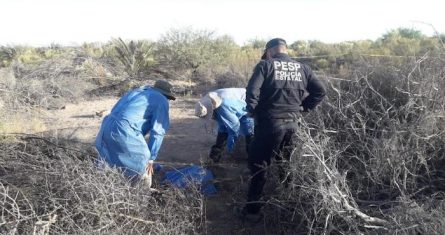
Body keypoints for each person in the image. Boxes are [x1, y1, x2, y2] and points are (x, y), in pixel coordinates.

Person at [238, 38, 326, 220]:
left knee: (259, 165)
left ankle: (253, 211)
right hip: (292, 124)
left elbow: (252, 91)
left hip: (269, 123)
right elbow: (320, 91)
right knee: (285, 163)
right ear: (285, 50)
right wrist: (304, 107)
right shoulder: (303, 68)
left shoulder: (265, 65)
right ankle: (289, 204)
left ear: (269, 51)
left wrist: (253, 111)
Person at [95, 80, 176, 188]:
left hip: (106, 126)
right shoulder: (161, 99)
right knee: (142, 165)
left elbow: (115, 110)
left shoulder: (136, 91)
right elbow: (158, 131)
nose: (168, 100)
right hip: (124, 131)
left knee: (108, 164)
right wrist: (151, 158)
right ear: (165, 94)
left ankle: (104, 193)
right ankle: (139, 199)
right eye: (168, 98)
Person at [194, 88, 254, 163]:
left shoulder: (223, 107)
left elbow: (235, 128)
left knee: (249, 134)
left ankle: (253, 161)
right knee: (222, 131)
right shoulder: (208, 102)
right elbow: (223, 124)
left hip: (248, 106)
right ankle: (214, 158)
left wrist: (229, 150)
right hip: (232, 105)